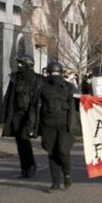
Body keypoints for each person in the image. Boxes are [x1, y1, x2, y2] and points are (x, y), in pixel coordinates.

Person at [27, 62, 76, 193]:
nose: (55, 76)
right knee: (52, 153)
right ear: (48, 74)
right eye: (52, 73)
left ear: (61, 73)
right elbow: (34, 107)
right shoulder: (42, 88)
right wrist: (31, 125)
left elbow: (77, 105)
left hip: (65, 126)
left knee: (63, 151)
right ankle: (55, 182)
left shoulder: (69, 87)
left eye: (57, 73)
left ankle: (67, 175)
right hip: (48, 125)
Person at [1, 54, 44, 178]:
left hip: (30, 114)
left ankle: (30, 166)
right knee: (20, 142)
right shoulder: (15, 79)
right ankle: (24, 167)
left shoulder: (38, 79)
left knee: (25, 139)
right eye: (18, 64)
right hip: (16, 115)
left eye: (21, 64)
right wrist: (5, 115)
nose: (19, 66)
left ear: (28, 65)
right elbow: (9, 97)